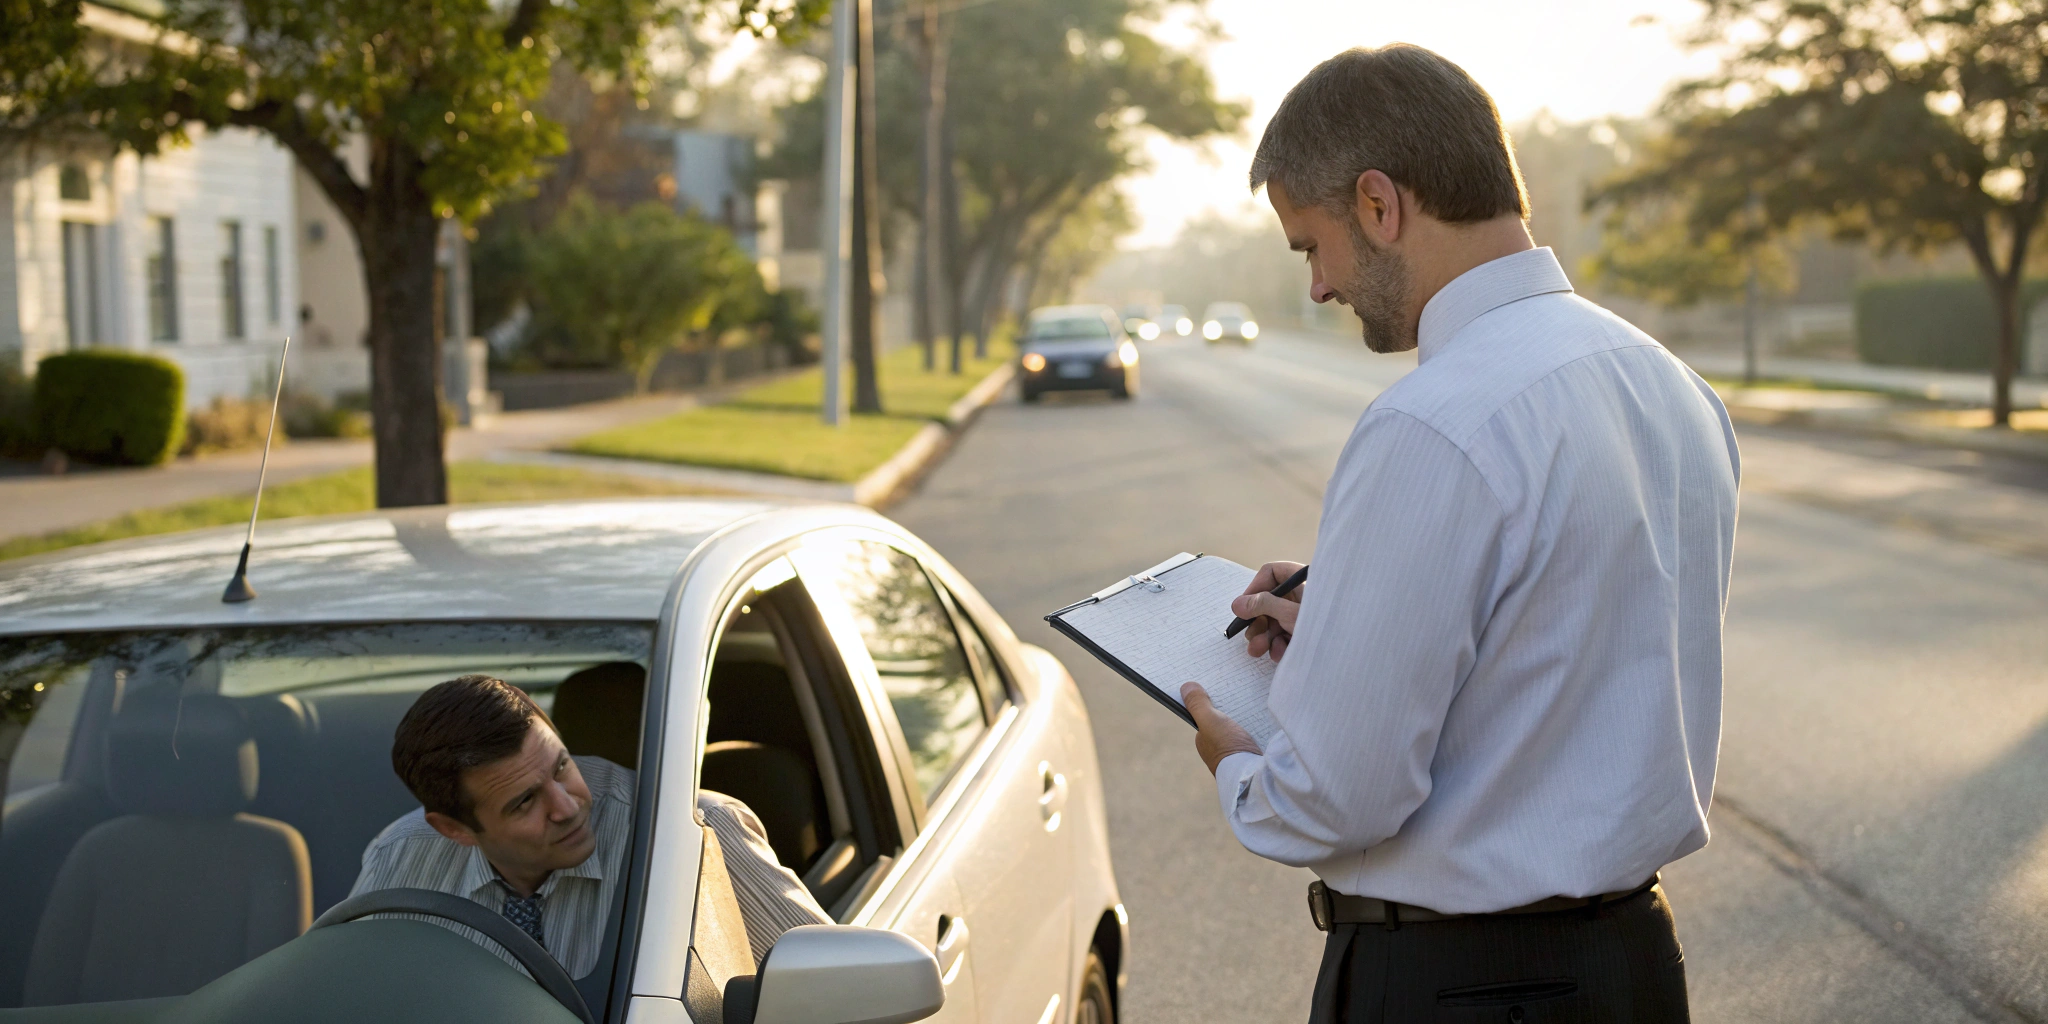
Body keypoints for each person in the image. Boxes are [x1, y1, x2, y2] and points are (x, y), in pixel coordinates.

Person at [1178, 45, 1739, 1022]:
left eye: (1310, 245)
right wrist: (1353, 622)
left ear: (1377, 204)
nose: (1314, 285)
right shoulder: (1666, 384)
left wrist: (1233, 761)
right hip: (1634, 969)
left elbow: (1338, 798)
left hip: (1459, 986)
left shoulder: (1431, 421)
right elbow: (1559, 647)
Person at [351, 674, 829, 977]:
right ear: (453, 829)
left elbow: (842, 986)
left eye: (561, 766)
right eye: (524, 802)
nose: (568, 806)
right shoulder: (399, 857)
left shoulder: (698, 834)